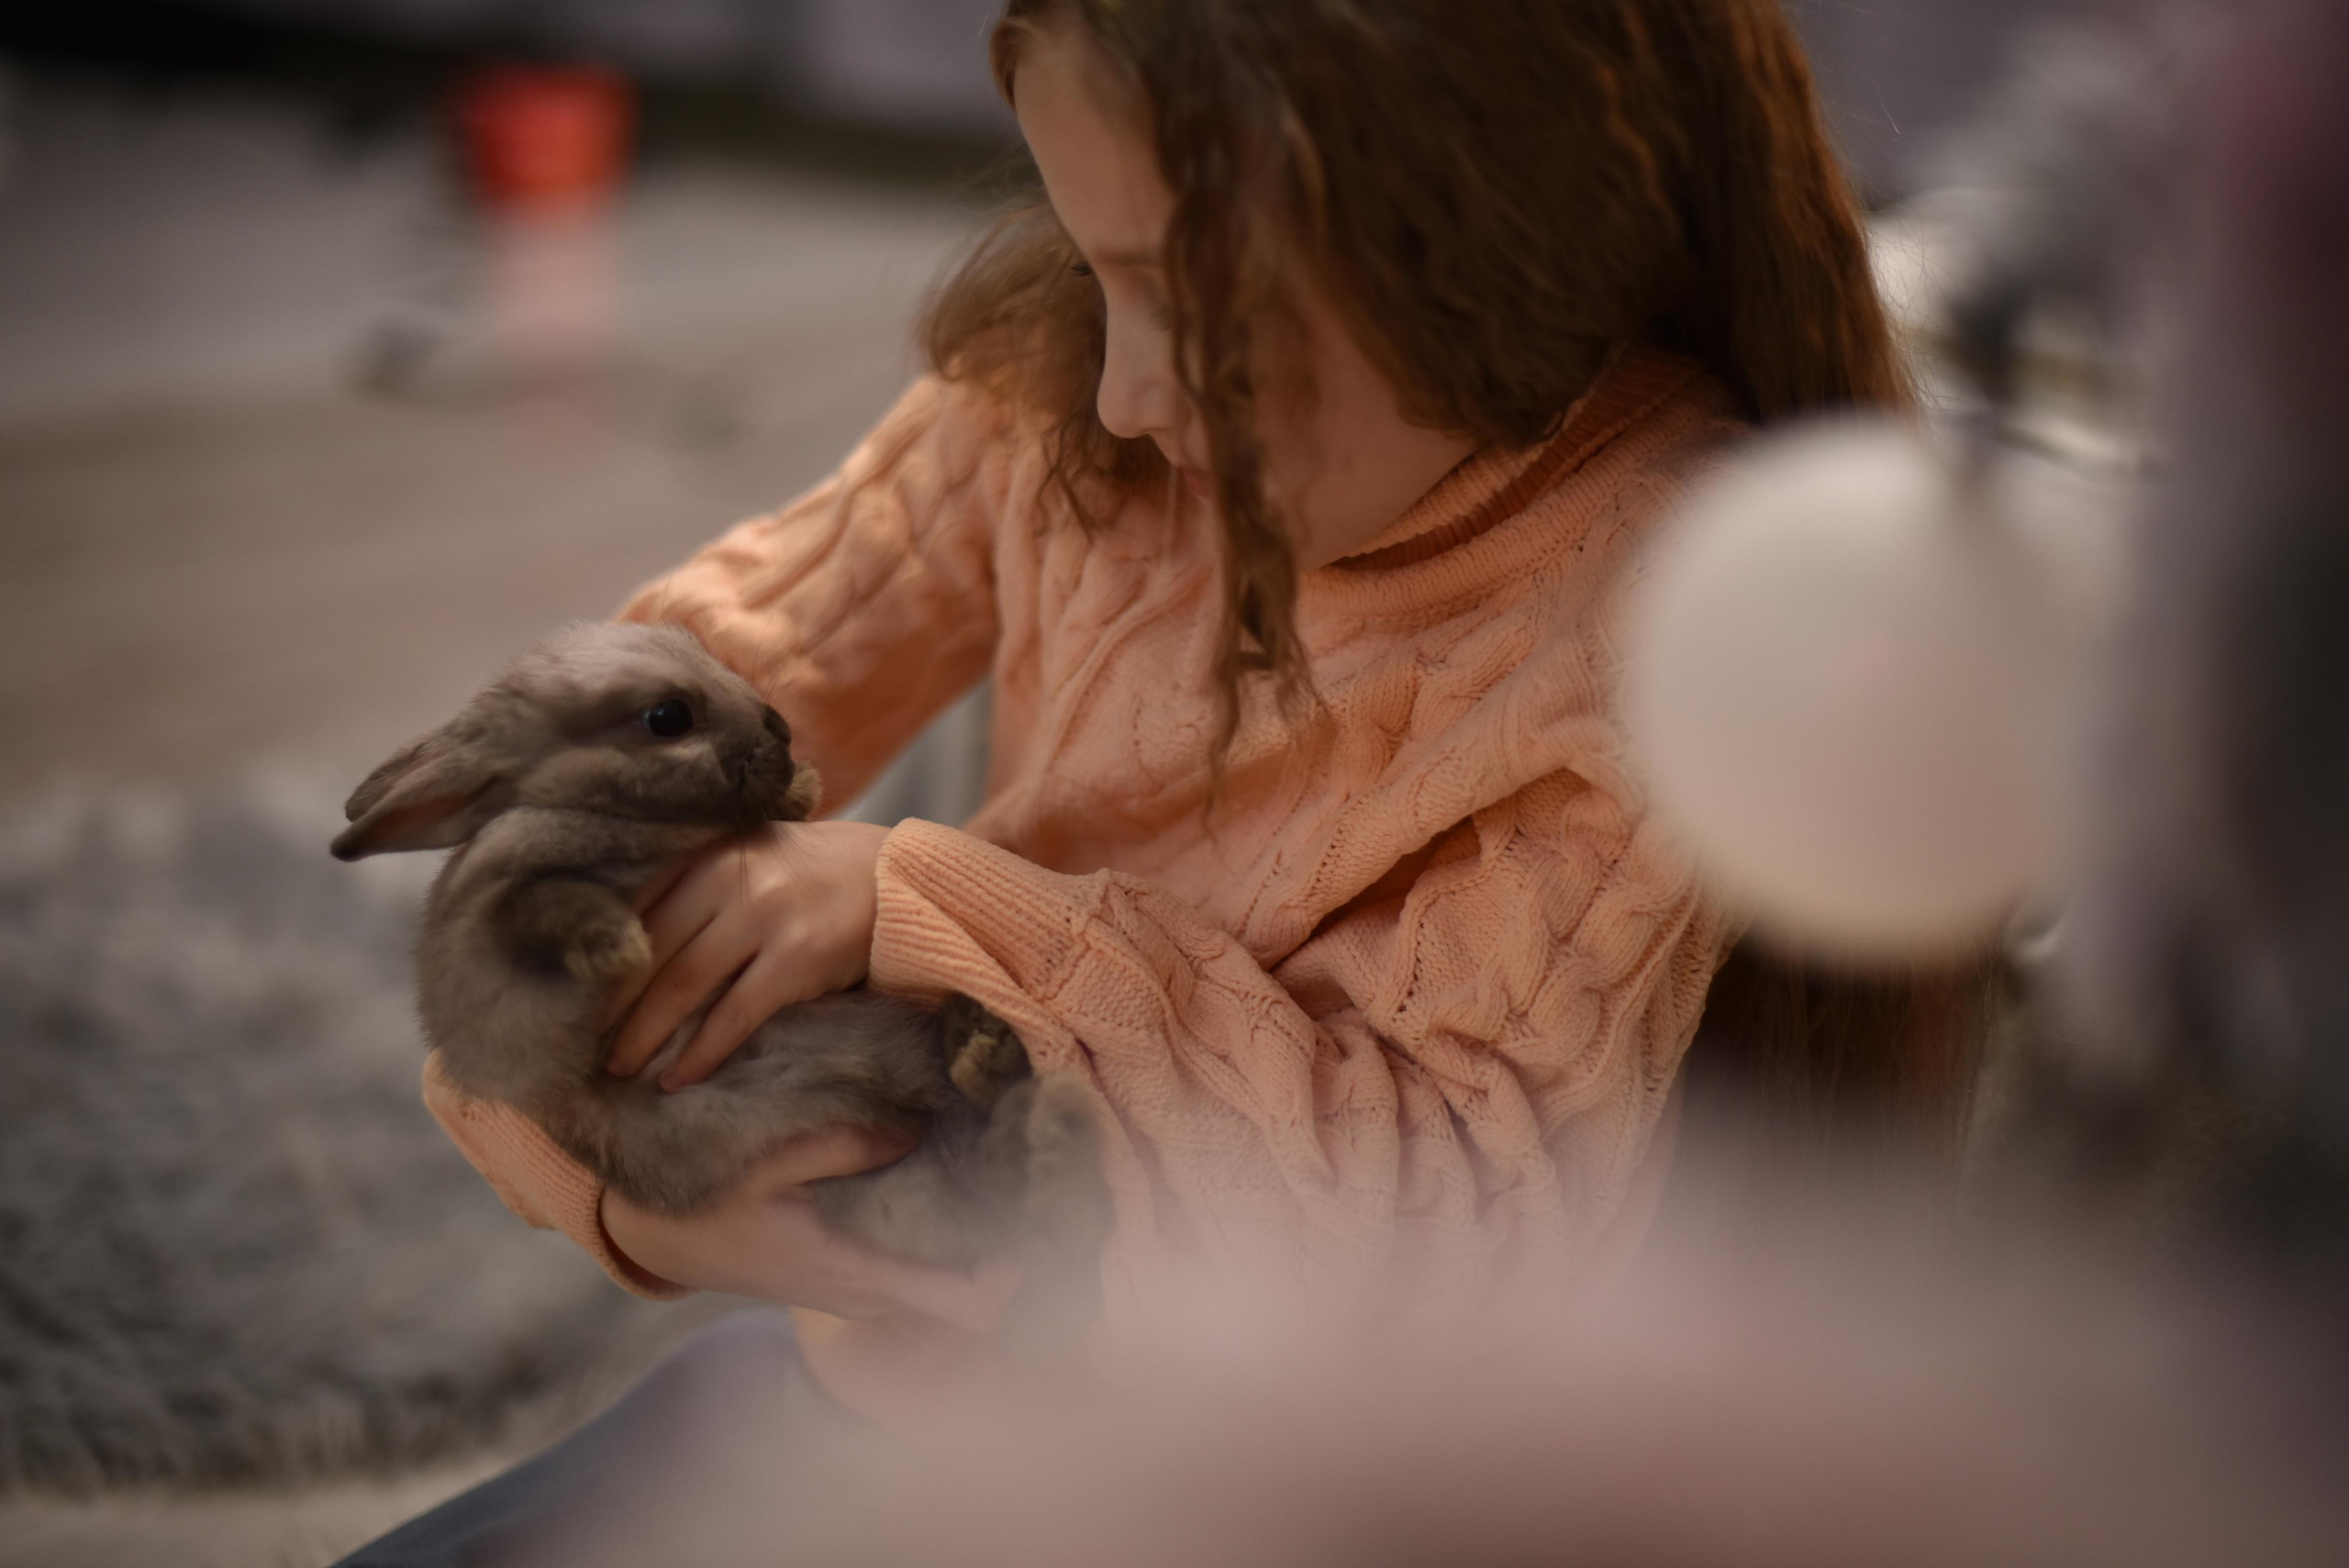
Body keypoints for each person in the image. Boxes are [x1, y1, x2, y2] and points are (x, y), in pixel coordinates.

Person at [339, 2, 1985, 1559]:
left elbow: (1444, 1240)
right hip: (895, 1405)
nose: (1123, 391)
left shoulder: (1658, 597)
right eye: (1091, 260)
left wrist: (927, 907)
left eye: (1196, 304)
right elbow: (543, 854)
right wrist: (671, 1204)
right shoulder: (1056, 400)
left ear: (1480, 240)